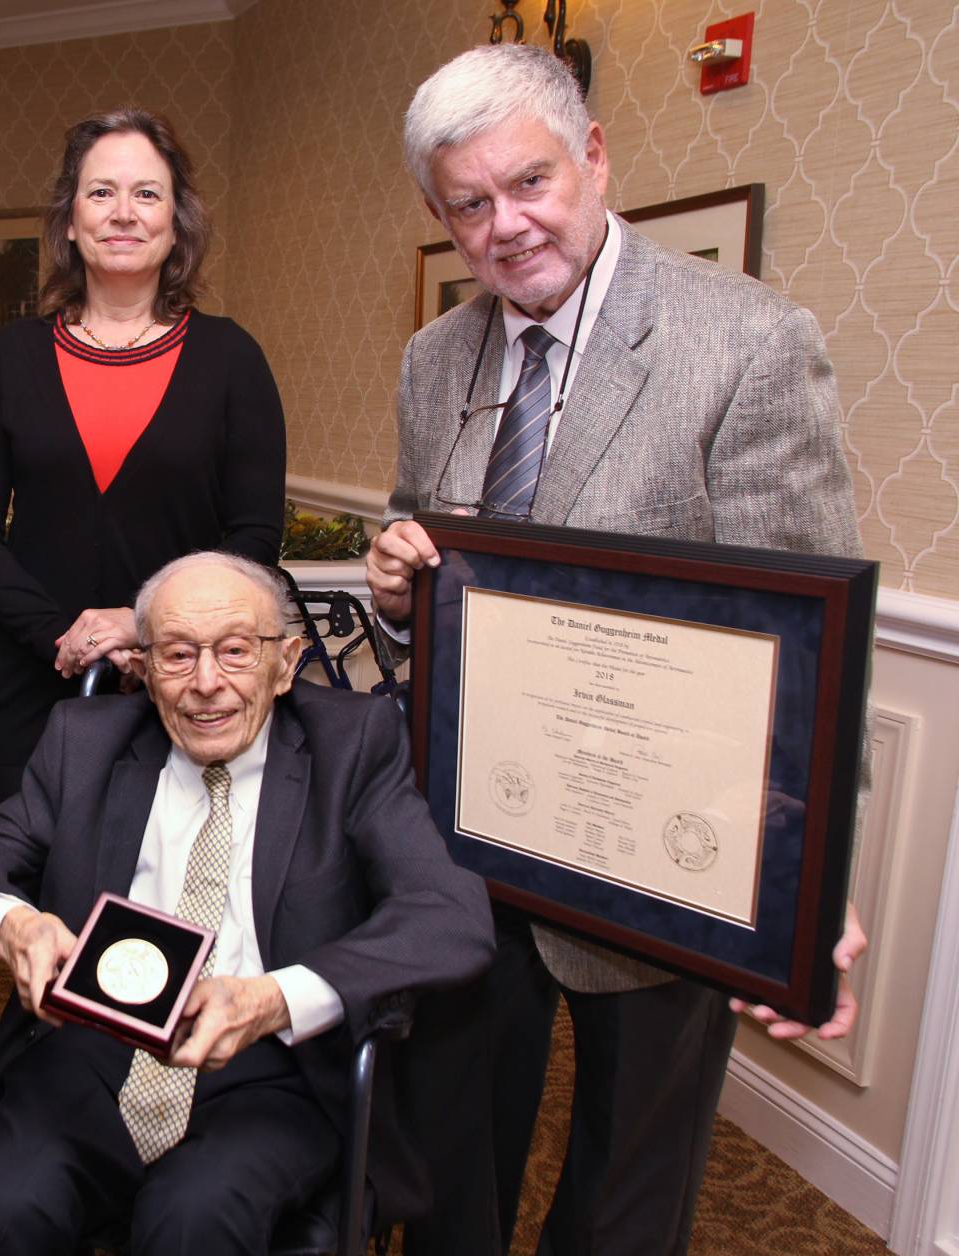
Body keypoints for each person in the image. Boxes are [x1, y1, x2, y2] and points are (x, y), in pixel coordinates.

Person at [365, 44, 869, 1256]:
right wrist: (395, 590)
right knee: (448, 1165)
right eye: (469, 205)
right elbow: (420, 561)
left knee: (626, 1192)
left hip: (664, 858)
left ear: (592, 156)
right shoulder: (435, 359)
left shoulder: (746, 341)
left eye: (529, 182)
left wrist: (808, 874)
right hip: (472, 838)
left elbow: (807, 650)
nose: (506, 225)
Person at [0, 551, 495, 1254]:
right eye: (179, 655)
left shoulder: (352, 746)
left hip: (272, 1069)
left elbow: (448, 914)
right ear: (144, 668)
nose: (207, 683)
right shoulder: (85, 740)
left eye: (237, 651)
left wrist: (275, 999)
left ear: (286, 663)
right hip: (93, 1050)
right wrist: (14, 924)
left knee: (195, 1219)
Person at [0, 107, 287, 805]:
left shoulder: (232, 358)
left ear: (176, 223)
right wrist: (65, 638)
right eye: (101, 192)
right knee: (40, 868)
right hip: (31, 691)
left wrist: (144, 624)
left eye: (147, 193)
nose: (123, 213)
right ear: (70, 221)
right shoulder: (9, 359)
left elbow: (254, 536)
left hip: (190, 689)